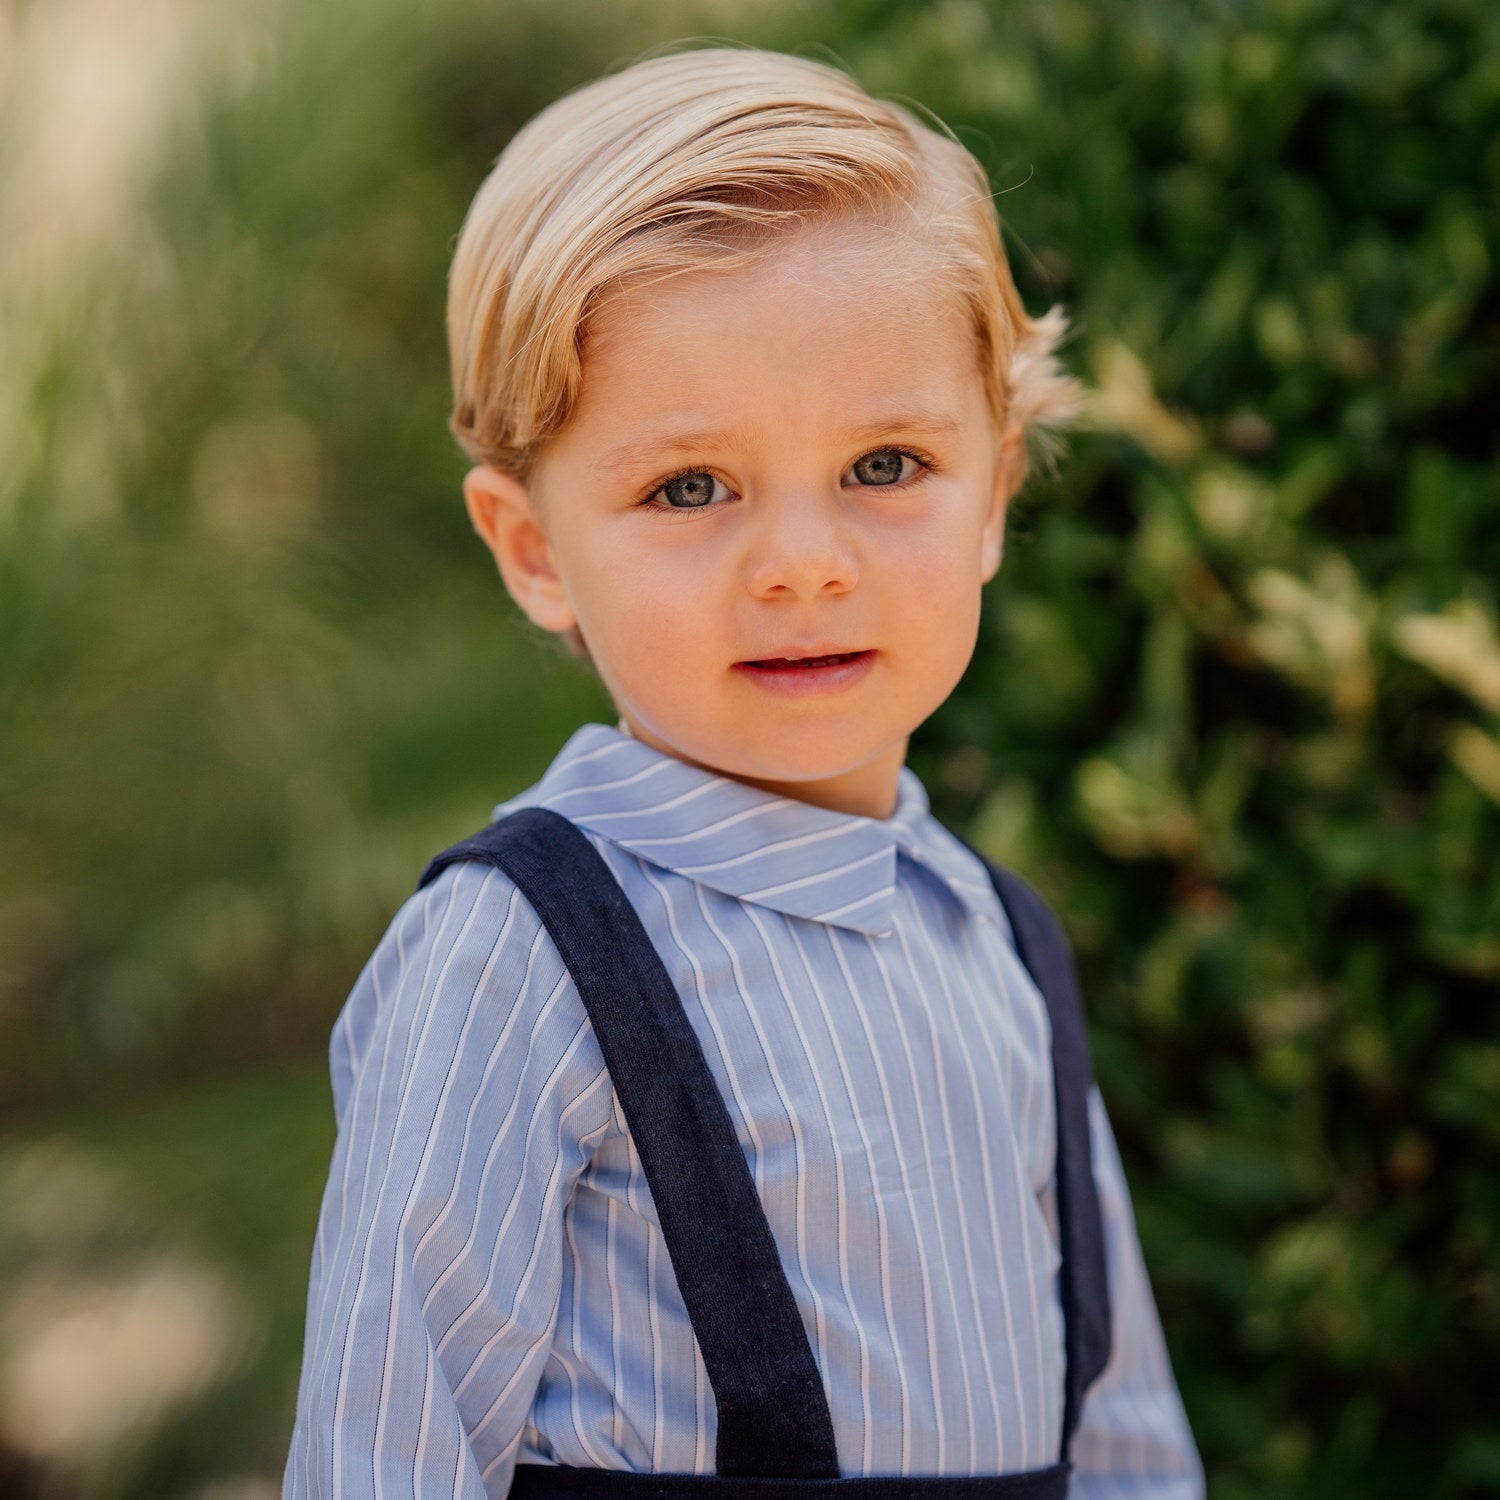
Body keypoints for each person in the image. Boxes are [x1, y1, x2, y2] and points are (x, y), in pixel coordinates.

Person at [283, 46, 1203, 1500]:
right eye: (690, 488)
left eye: (887, 466)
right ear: (533, 550)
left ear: (997, 493)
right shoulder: (515, 958)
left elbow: (1128, 1440)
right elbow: (386, 1450)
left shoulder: (1001, 947)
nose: (803, 565)